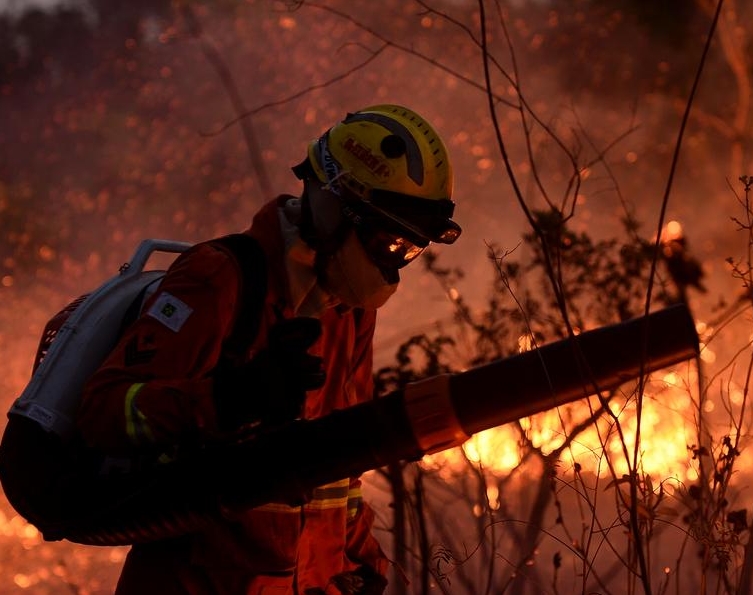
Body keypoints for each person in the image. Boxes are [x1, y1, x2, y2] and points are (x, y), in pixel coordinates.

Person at [75, 104, 462, 595]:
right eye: (386, 240)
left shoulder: (350, 311)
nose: (392, 262)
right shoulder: (218, 278)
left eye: (409, 249)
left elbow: (338, 469)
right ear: (333, 203)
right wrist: (230, 399)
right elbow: (101, 414)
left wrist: (364, 563)